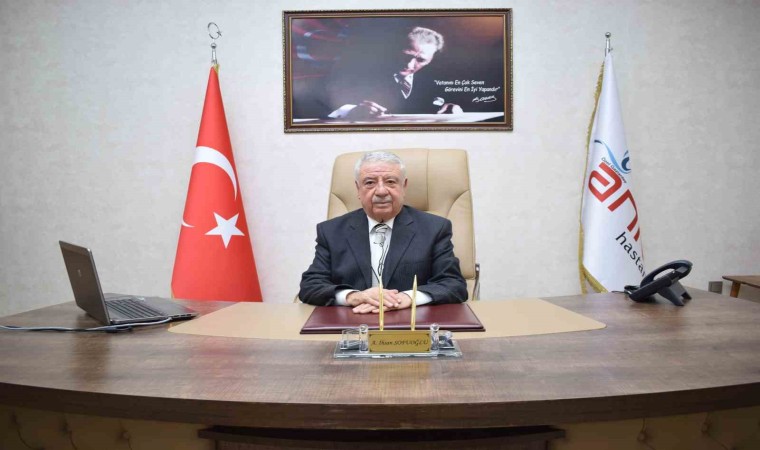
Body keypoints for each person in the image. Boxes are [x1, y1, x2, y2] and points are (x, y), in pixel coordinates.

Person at [299, 151, 468, 314]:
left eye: (390, 181)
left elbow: (454, 284)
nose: (381, 191)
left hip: (412, 323)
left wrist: (407, 298)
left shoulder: (435, 228)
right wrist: (354, 297)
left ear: (404, 186)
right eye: (370, 183)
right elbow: (311, 285)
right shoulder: (331, 231)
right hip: (352, 321)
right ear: (358, 188)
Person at [323, 27, 463, 120]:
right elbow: (319, 104)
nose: (409, 65)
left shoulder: (435, 80)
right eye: (405, 56)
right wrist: (351, 111)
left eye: (420, 60)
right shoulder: (356, 72)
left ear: (432, 59)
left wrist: (453, 109)